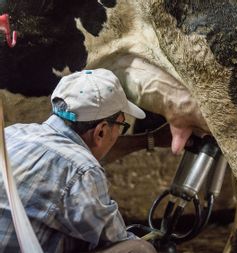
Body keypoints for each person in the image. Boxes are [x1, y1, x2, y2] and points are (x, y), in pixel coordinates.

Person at [0, 69, 157, 253]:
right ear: (101, 131)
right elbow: (114, 238)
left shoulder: (13, 133)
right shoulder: (83, 170)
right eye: (122, 126)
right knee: (140, 249)